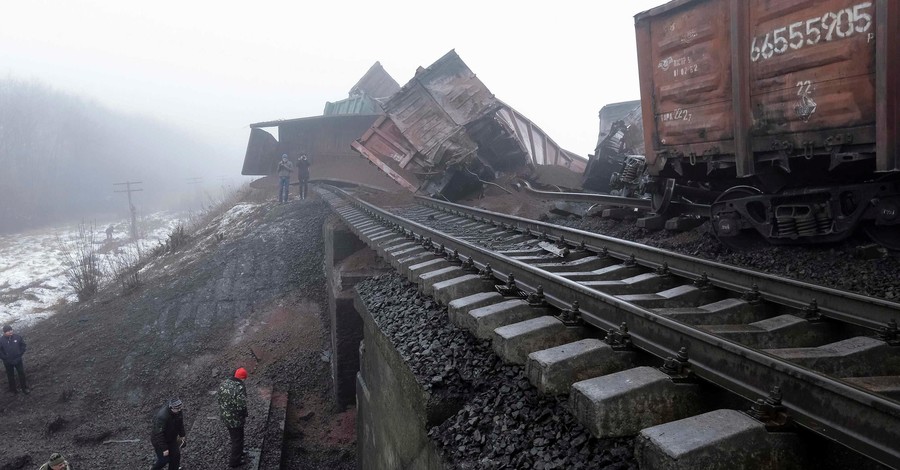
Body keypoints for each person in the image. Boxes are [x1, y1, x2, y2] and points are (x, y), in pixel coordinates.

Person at [218, 367, 249, 467]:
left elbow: (219, 399)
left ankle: (239, 451)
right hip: (236, 419)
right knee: (238, 439)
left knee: (234, 437)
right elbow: (241, 406)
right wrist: (244, 414)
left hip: (225, 416)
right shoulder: (239, 387)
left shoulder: (224, 383)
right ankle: (234, 462)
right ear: (242, 378)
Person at [150, 398, 186, 470]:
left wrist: (182, 435)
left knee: (176, 456)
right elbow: (159, 434)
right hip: (159, 441)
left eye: (180, 408)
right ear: (171, 408)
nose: (179, 410)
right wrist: (165, 449)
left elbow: (180, 423)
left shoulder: (178, 411)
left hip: (171, 438)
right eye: (177, 409)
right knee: (164, 460)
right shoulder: (162, 417)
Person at [0, 324, 28, 394]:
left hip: (18, 359)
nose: (10, 332)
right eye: (8, 331)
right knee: (10, 375)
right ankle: (13, 390)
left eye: (11, 330)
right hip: (8, 362)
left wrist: (20, 354)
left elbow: (23, 345)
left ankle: (24, 388)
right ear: (4, 332)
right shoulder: (1, 340)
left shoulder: (17, 337)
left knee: (21, 373)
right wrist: (5, 358)